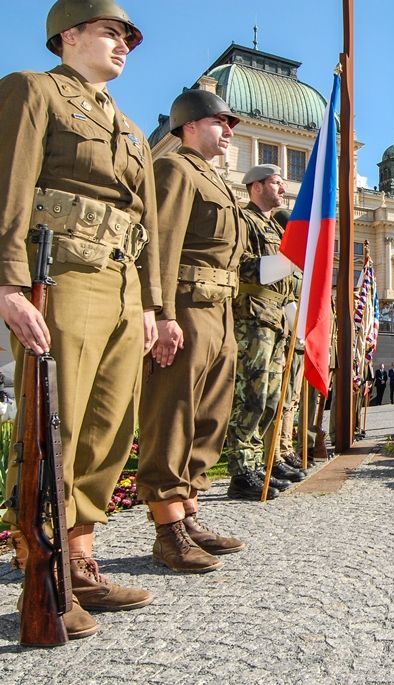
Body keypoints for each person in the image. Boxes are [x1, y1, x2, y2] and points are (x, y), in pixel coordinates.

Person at [0, 0, 157, 638]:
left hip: (120, 284)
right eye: (110, 32)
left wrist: (148, 304)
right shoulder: (34, 92)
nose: (123, 44)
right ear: (68, 35)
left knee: (109, 428)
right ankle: (44, 569)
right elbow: (9, 184)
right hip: (60, 277)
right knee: (52, 424)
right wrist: (8, 280)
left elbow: (144, 223)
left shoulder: (131, 128)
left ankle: (81, 554)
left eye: (128, 37)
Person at [137, 89, 246, 573]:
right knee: (173, 412)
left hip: (220, 313)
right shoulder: (175, 170)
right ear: (188, 126)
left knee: (210, 416)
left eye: (229, 124)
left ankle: (189, 510)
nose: (227, 131)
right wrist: (160, 314)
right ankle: (167, 527)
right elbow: (159, 244)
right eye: (219, 122)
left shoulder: (217, 181)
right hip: (185, 308)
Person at [222, 164, 305, 502]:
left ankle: (257, 462)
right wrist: (282, 263)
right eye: (275, 182)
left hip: (276, 320)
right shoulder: (245, 221)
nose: (282, 188)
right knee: (251, 396)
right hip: (253, 317)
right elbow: (238, 264)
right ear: (255, 187)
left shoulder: (274, 226)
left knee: (271, 398)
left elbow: (287, 283)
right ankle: (241, 471)